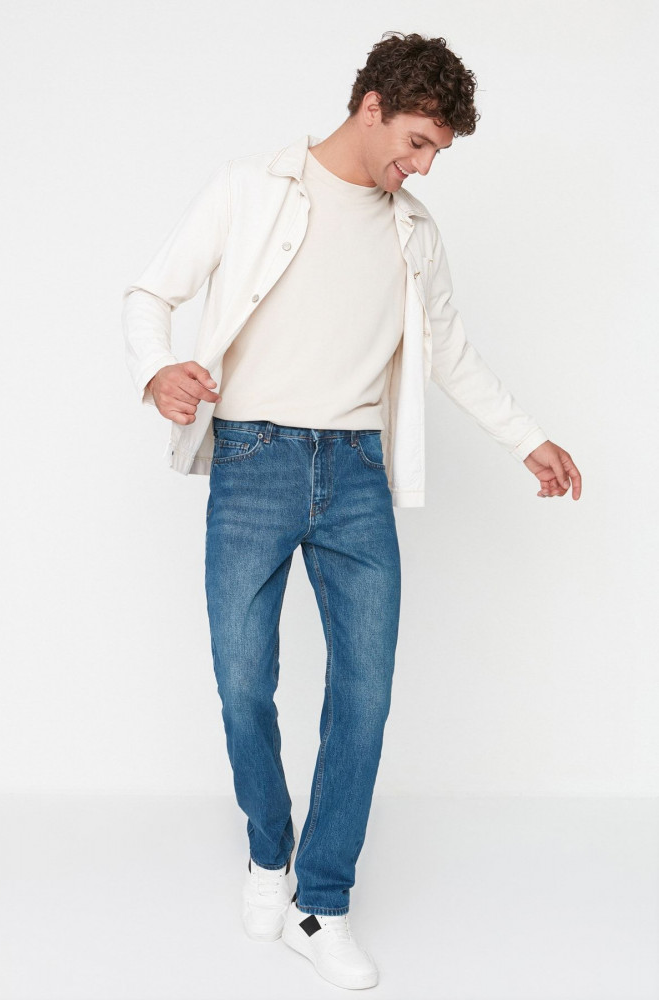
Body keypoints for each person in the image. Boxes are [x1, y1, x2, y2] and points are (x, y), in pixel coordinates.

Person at [121, 30, 582, 992]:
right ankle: (268, 849)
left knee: (364, 696)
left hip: (359, 474)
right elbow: (151, 292)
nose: (424, 167)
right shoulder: (251, 188)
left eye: (437, 153)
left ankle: (320, 901)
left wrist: (527, 437)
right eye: (417, 142)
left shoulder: (415, 231)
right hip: (252, 461)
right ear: (371, 106)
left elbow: (450, 351)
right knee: (243, 684)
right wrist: (157, 369)